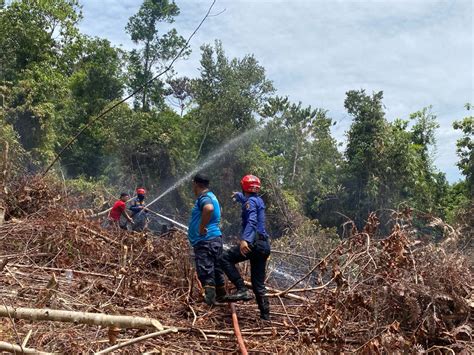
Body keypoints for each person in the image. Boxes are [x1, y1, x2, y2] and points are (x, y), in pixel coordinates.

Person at [221, 174, 271, 321]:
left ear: (244, 187)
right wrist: (239, 197)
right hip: (263, 245)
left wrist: (245, 240)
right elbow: (251, 204)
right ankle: (265, 317)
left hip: (253, 243)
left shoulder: (250, 203)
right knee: (258, 284)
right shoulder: (258, 200)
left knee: (224, 258)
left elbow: (252, 220)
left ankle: (241, 289)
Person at [187, 173, 226, 305]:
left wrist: (202, 227)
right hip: (215, 239)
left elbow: (208, 209)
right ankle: (221, 297)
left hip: (205, 241)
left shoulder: (204, 198)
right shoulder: (213, 196)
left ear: (195, 184)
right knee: (216, 269)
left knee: (205, 271)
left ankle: (209, 301)